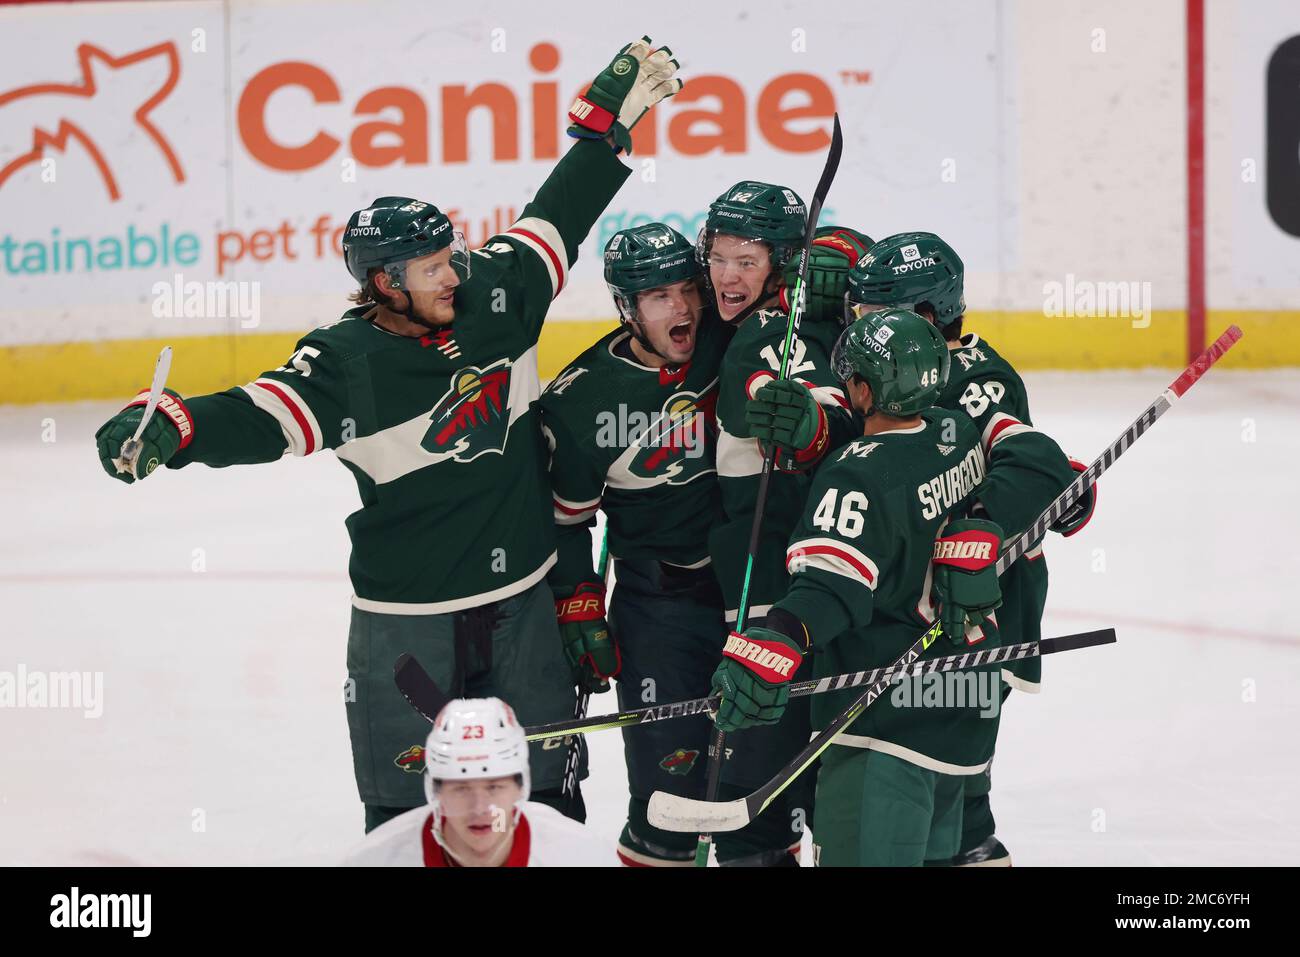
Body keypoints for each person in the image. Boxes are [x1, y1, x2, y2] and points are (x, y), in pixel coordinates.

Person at [92, 37, 683, 833]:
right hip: (407, 618)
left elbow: (557, 216)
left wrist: (603, 128)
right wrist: (173, 424)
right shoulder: (345, 364)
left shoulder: (496, 292)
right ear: (383, 283)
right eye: (432, 267)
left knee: (546, 799)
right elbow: (260, 413)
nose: (453, 273)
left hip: (523, 601)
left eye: (452, 255)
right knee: (405, 815)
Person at [712, 308, 1008, 866]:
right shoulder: (959, 433)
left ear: (866, 391)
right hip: (956, 721)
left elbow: (832, 588)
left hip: (879, 730)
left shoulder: (857, 475)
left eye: (851, 377)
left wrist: (781, 635)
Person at [840, 232, 1094, 864]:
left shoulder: (978, 379)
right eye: (858, 311)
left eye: (874, 314)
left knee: (956, 754)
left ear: (929, 314)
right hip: (918, 594)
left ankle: (968, 841)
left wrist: (995, 516)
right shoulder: (891, 360)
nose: (859, 327)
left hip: (986, 601)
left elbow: (1023, 466)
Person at [540, 223, 730, 865]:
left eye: (687, 289)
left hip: (751, 594)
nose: (682, 308)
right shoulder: (582, 399)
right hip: (660, 607)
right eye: (658, 297)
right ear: (628, 308)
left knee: (762, 782)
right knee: (669, 790)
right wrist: (578, 602)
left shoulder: (733, 340)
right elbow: (567, 521)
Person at [697, 180, 870, 865]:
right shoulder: (779, 315)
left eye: (747, 260)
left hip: (779, 592)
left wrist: (806, 420)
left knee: (760, 797)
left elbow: (777, 389)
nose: (728, 275)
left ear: (784, 263)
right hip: (829, 589)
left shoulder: (776, 326)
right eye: (719, 256)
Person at [344, 698, 611, 866]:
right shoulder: (375, 860)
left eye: (495, 786)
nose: (480, 807)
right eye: (461, 788)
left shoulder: (582, 856)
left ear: (520, 787)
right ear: (436, 791)